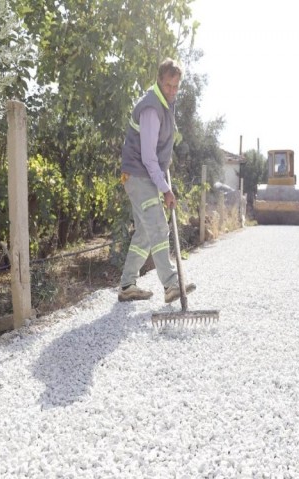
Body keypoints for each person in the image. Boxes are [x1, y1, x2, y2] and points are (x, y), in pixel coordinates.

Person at [118, 58, 195, 303]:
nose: (172, 91)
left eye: (176, 87)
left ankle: (127, 285)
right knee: (159, 227)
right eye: (168, 85)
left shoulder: (164, 105)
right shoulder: (151, 108)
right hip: (139, 176)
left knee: (144, 233)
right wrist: (166, 189)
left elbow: (158, 152)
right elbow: (149, 157)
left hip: (140, 175)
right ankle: (171, 284)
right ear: (159, 81)